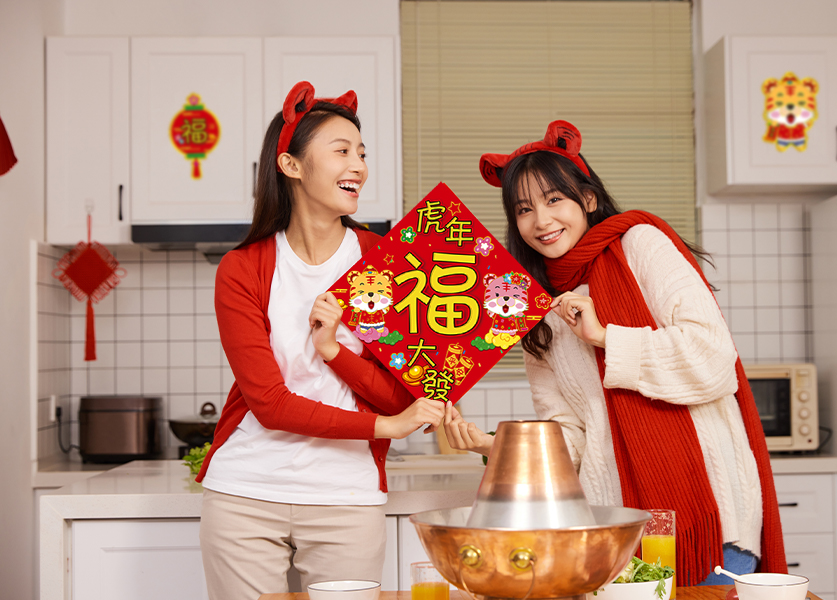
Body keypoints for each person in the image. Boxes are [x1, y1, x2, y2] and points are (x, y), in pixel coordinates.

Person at [442, 120, 787, 586]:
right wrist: (494, 446)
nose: (540, 221)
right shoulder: (537, 309)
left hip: (711, 520)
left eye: (553, 200)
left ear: (587, 199)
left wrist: (605, 337)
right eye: (524, 209)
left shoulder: (641, 244)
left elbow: (713, 358)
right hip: (613, 535)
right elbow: (571, 439)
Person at [195, 81, 445, 600]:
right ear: (291, 165)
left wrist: (334, 353)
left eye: (362, 153)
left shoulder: (388, 262)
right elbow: (269, 404)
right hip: (245, 493)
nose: (359, 166)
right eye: (342, 151)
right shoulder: (243, 269)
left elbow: (405, 398)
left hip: (346, 496)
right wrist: (386, 426)